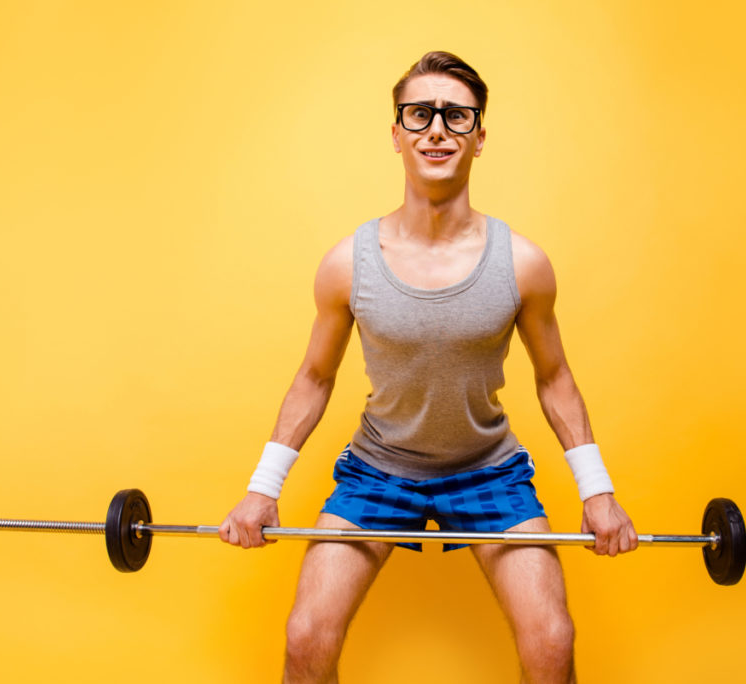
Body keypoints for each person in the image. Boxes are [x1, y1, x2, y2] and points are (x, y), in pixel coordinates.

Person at [219, 51, 638, 683]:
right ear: (396, 134)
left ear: (478, 137)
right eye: (420, 114)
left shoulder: (523, 264)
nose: (437, 128)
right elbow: (315, 378)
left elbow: (554, 380)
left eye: (456, 115)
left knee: (553, 642)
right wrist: (262, 488)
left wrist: (598, 491)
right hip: (378, 472)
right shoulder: (347, 263)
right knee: (306, 637)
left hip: (488, 472)